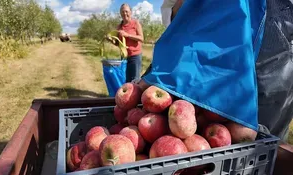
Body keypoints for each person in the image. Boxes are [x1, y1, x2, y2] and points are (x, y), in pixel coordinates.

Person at [136, 0, 293, 141]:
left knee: (260, 135)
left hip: (269, 22)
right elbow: (173, 10)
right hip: (203, 23)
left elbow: (173, 10)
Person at [114, 3, 144, 83]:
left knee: (135, 80)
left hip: (135, 56)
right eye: (122, 12)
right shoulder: (119, 27)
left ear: (130, 12)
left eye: (126, 11)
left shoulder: (135, 23)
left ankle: (135, 95)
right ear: (120, 13)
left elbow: (141, 38)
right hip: (124, 57)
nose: (125, 13)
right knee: (125, 79)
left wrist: (127, 35)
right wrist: (112, 40)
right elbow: (118, 43)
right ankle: (126, 95)